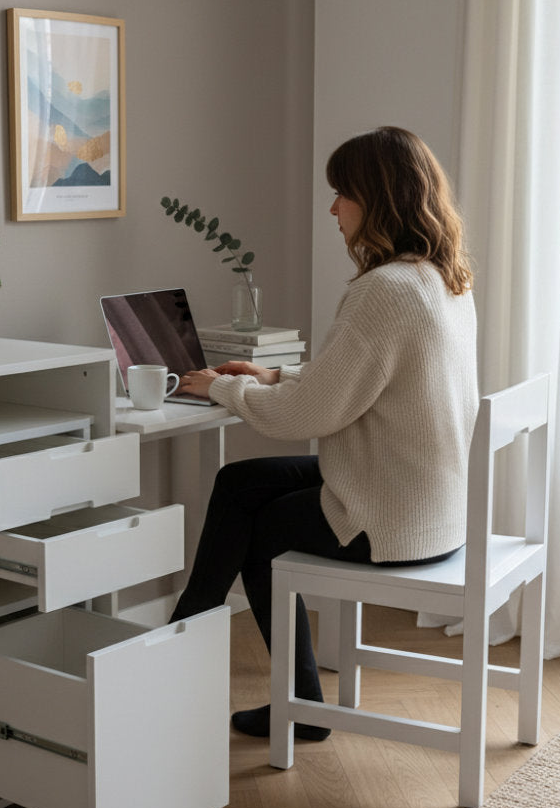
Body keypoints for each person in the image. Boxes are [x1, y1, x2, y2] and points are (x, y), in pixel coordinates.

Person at [170, 126, 479, 740]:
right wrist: (275, 373)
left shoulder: (382, 291)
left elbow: (307, 418)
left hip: (387, 516)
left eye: (343, 193)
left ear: (379, 198)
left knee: (256, 530)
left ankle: (218, 669)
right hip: (425, 499)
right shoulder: (439, 278)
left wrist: (222, 388)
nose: (333, 208)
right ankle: (192, 640)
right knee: (240, 481)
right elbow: (369, 379)